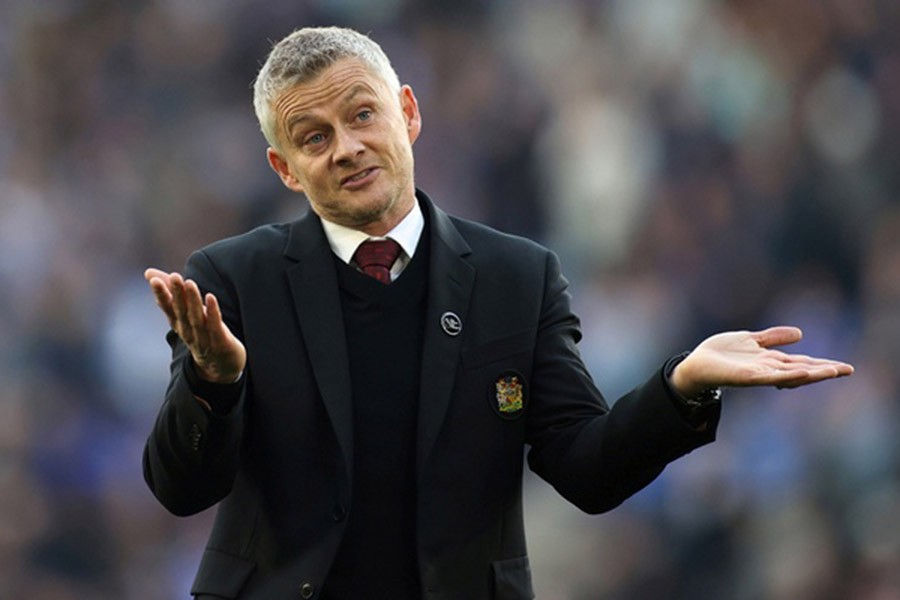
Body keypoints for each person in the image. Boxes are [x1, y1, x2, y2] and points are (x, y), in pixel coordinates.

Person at [142, 26, 853, 600]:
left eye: (362, 115)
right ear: (285, 169)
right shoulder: (230, 282)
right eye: (314, 136)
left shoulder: (518, 277)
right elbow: (181, 489)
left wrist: (682, 386)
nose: (348, 148)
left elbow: (587, 469)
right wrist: (214, 383)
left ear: (408, 113)